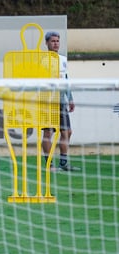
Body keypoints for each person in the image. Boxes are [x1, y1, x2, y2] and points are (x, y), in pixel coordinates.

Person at [42, 31, 79, 171]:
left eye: (57, 41)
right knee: (48, 133)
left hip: (61, 101)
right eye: (52, 41)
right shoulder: (42, 60)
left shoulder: (63, 59)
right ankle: (49, 164)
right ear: (46, 43)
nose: (56, 43)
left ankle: (63, 163)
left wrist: (70, 98)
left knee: (67, 132)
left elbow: (66, 80)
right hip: (47, 101)